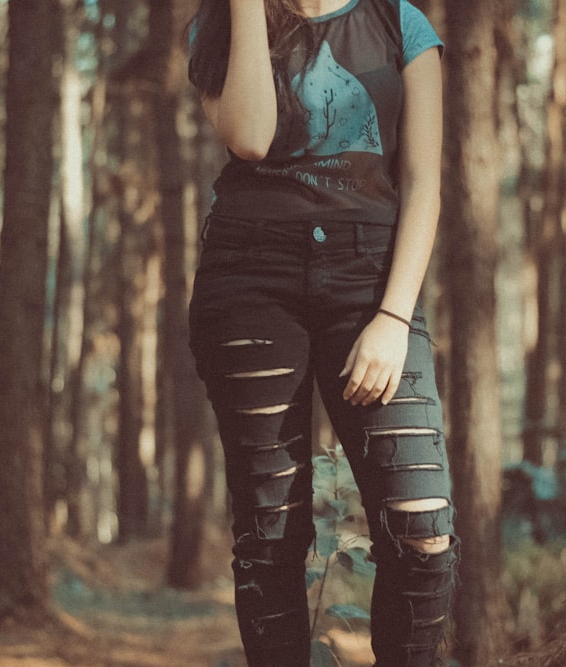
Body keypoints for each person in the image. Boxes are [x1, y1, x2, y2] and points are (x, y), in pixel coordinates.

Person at [186, 0, 457, 664]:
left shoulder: (401, 24)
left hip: (369, 278)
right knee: (271, 529)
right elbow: (249, 136)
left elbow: (422, 182)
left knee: (423, 529)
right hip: (250, 275)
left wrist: (393, 317)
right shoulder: (219, 23)